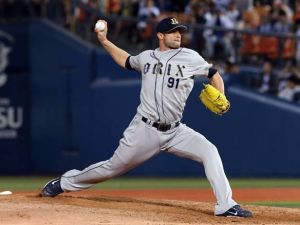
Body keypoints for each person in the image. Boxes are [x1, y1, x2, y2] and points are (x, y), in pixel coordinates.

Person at [41, 17, 253, 218]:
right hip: (145, 130)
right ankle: (64, 182)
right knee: (112, 167)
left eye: (180, 31)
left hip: (176, 131)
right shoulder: (146, 57)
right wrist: (104, 41)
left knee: (210, 151)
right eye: (172, 32)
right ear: (160, 35)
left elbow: (213, 73)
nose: (178, 35)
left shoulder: (190, 57)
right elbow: (126, 60)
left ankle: (226, 205)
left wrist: (221, 93)